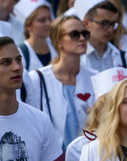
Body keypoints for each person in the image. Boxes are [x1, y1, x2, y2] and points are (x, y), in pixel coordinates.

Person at [27, 15, 96, 150]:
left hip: (87, 158)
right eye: (74, 34)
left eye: (85, 33)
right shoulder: (37, 79)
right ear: (58, 41)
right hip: (51, 160)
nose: (82, 38)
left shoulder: (95, 77)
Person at [76, 0, 124, 73]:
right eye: (104, 23)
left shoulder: (122, 56)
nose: (110, 29)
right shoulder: (77, 57)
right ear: (86, 23)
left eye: (113, 24)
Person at [14, 0, 57, 71]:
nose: (48, 23)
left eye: (49, 18)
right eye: (42, 20)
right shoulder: (21, 53)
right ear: (28, 26)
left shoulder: (56, 47)